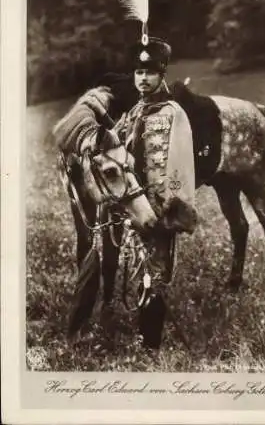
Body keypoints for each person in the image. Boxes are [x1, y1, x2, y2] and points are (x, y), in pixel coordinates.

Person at [53, 36, 197, 348]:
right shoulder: (132, 114)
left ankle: (151, 343)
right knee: (138, 269)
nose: (143, 79)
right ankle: (145, 334)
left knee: (155, 271)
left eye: (150, 73)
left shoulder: (173, 113)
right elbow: (114, 154)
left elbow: (181, 165)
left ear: (162, 74)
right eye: (138, 73)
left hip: (159, 209)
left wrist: (171, 208)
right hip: (135, 205)